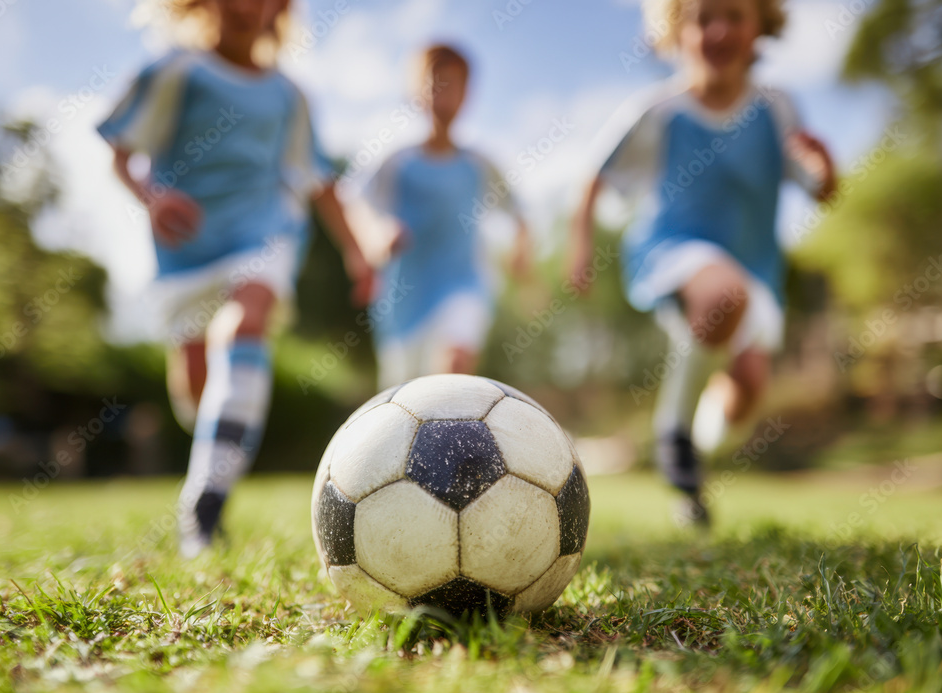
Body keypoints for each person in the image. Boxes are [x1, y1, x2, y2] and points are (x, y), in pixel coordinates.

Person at [97, 0, 372, 556]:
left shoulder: (289, 96)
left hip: (264, 235)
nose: (249, 6)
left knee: (244, 324)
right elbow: (121, 154)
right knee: (197, 391)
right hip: (186, 250)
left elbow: (320, 183)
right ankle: (214, 445)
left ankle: (205, 502)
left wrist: (357, 252)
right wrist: (152, 196)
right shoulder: (174, 71)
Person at [570, 0, 836, 525]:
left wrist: (823, 170)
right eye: (702, 18)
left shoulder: (777, 107)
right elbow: (593, 176)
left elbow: (816, 185)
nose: (718, 29)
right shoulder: (659, 111)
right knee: (721, 295)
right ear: (676, 31)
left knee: (747, 389)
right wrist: (580, 245)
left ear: (760, 25)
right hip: (672, 250)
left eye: (733, 16)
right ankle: (673, 431)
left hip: (756, 266)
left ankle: (692, 464)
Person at [353, 43, 532, 389]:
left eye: (454, 83)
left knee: (453, 372)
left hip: (464, 284)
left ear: (468, 94)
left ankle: (458, 439)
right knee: (404, 399)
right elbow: (356, 206)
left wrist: (521, 247)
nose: (444, 93)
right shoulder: (396, 161)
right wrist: (376, 235)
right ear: (416, 92)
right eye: (435, 83)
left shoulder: (479, 165)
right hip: (404, 296)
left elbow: (518, 211)